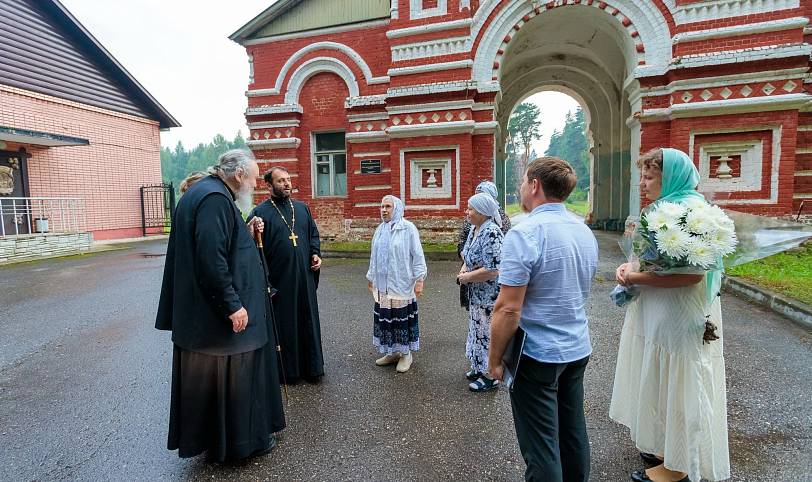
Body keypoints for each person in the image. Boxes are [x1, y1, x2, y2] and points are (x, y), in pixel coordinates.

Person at [155, 149, 285, 462]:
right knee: (233, 383)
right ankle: (239, 446)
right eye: (253, 179)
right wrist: (233, 305)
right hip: (218, 324)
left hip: (204, 322)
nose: (254, 185)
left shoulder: (208, 193)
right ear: (239, 175)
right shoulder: (214, 199)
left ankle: (218, 443)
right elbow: (211, 260)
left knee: (216, 387)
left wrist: (246, 232)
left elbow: (221, 243)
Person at [610, 148, 730, 482]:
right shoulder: (664, 210)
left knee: (680, 381)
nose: (644, 184)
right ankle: (666, 447)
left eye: (650, 177)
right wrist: (629, 266)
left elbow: (692, 275)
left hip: (680, 313)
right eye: (644, 177)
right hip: (658, 311)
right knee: (661, 378)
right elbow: (648, 259)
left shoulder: (692, 215)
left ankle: (678, 467)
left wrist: (634, 277)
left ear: (672, 178)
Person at [488, 157, 598, 482]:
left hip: (537, 354)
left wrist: (495, 360)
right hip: (577, 347)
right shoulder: (583, 231)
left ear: (534, 185)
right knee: (573, 431)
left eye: (523, 181)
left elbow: (508, 308)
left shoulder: (525, 233)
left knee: (541, 445)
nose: (521, 188)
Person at [250, 166, 325, 383]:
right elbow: (255, 253)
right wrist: (267, 284)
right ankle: (289, 372)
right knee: (286, 325)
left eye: (288, 179)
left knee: (308, 321)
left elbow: (313, 235)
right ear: (268, 185)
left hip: (305, 278)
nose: (287, 184)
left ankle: (313, 369)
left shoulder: (302, 209)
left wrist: (315, 254)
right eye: (281, 180)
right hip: (280, 282)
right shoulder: (259, 213)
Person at [366, 195, 427, 373]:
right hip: (383, 285)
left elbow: (417, 255)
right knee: (386, 318)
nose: (384, 210)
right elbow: (374, 256)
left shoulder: (407, 229)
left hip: (401, 283)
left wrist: (420, 280)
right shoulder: (380, 230)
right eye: (382, 206)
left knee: (400, 319)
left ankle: (406, 354)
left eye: (388, 206)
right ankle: (392, 352)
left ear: (397, 208)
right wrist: (371, 277)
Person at [458, 192, 504, 392]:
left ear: (483, 212)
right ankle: (478, 366)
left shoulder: (492, 232)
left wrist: (466, 277)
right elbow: (467, 255)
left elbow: (494, 269)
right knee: (476, 331)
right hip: (475, 294)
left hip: (489, 295)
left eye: (470, 209)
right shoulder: (475, 229)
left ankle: (490, 375)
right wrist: (463, 270)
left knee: (487, 334)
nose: (466, 212)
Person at [457, 180, 511, 309]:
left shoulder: (494, 227)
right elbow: (464, 242)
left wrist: (469, 275)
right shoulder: (474, 225)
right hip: (474, 288)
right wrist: (465, 264)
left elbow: (494, 266)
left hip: (489, 295)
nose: (467, 212)